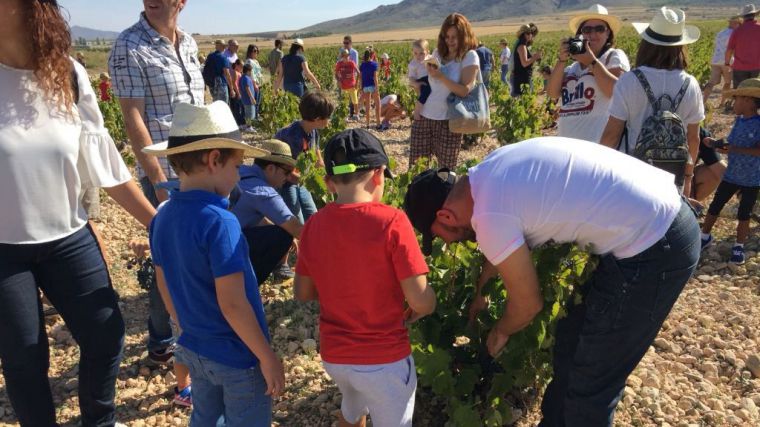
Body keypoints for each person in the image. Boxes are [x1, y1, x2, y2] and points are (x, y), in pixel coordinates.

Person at [404, 137, 700, 427]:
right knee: (570, 344)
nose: (447, 243)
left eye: (438, 235)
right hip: (655, 217)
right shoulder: (489, 173)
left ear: (445, 215)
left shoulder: (490, 214)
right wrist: (481, 293)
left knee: (591, 382)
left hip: (656, 243)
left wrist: (501, 331)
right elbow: (501, 233)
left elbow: (529, 304)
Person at [0, 1, 156, 425]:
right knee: (25, 358)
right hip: (4, 252)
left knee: (106, 336)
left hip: (68, 237)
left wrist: (159, 223)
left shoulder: (65, 73)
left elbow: (102, 160)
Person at [144, 101, 284, 427]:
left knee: (205, 418)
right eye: (236, 166)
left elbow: (164, 283)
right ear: (214, 160)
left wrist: (187, 326)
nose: (238, 176)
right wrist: (267, 356)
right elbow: (233, 304)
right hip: (237, 357)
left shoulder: (162, 216)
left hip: (194, 347)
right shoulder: (221, 221)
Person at [295, 129, 436, 427]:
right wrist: (424, 306)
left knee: (353, 401)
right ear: (379, 174)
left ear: (328, 182)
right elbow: (420, 301)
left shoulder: (313, 226)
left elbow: (304, 292)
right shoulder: (393, 221)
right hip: (384, 361)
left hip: (335, 358)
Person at [109, 0, 204, 400]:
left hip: (202, 166)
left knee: (196, 256)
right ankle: (164, 343)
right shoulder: (129, 45)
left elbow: (200, 105)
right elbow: (133, 117)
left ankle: (196, 341)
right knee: (168, 260)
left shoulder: (189, 44)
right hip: (167, 174)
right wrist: (160, 181)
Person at [600, 6, 704, 198]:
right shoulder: (691, 84)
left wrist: (598, 169)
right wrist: (688, 177)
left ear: (646, 44)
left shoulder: (629, 81)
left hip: (634, 170)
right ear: (681, 47)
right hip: (673, 175)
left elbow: (612, 135)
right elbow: (693, 138)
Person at [546, 4, 630, 142]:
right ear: (580, 34)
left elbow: (616, 91)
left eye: (599, 29)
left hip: (596, 145)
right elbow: (552, 93)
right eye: (587, 29)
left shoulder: (613, 56)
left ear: (608, 33)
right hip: (568, 143)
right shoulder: (573, 68)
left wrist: (592, 62)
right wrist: (561, 60)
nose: (593, 34)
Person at [700, 78, 760, 265]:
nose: (734, 103)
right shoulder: (739, 121)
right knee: (716, 206)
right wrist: (717, 145)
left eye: (737, 99)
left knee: (744, 213)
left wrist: (733, 149)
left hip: (752, 178)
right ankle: (705, 236)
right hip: (732, 174)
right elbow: (732, 144)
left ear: (748, 102)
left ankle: (738, 247)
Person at [273, 91, 334, 277]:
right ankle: (280, 265)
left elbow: (316, 155)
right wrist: (309, 179)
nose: (329, 122)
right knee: (293, 220)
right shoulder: (292, 136)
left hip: (300, 180)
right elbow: (286, 170)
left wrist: (325, 173)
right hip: (284, 181)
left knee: (312, 214)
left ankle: (315, 254)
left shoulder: (312, 131)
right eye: (327, 118)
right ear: (316, 118)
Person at [409, 13, 479, 170]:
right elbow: (429, 84)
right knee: (416, 169)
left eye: (455, 36)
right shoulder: (437, 53)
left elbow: (464, 91)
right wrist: (417, 84)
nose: (450, 41)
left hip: (449, 121)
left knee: (445, 172)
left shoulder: (469, 56)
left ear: (464, 35)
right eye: (447, 36)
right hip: (424, 117)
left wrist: (441, 76)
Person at [231, 140, 303, 283]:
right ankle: (248, 283)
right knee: (282, 235)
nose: (289, 177)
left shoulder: (242, 171)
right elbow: (296, 228)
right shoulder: (263, 192)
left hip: (212, 243)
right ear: (270, 168)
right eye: (287, 172)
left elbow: (252, 217)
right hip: (229, 248)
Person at [703, 16, 742, 107]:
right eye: (739, 23)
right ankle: (722, 103)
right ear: (735, 23)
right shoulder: (735, 33)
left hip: (715, 60)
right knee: (727, 82)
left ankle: (703, 102)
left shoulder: (721, 32)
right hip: (727, 61)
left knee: (711, 82)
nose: (739, 25)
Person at [726, 4, 760, 89]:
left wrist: (727, 63)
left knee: (739, 92)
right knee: (755, 93)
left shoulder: (737, 30)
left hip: (739, 67)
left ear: (744, 17)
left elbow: (729, 49)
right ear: (754, 15)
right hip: (756, 67)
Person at [511, 23, 541, 97]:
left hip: (520, 77)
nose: (531, 35)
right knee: (525, 99)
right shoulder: (522, 46)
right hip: (523, 78)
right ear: (524, 35)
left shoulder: (521, 45)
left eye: (530, 33)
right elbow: (524, 63)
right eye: (529, 33)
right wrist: (535, 57)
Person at [205, 39, 237, 104]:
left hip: (212, 85)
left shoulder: (210, 56)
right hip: (221, 84)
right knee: (223, 106)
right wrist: (231, 89)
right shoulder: (223, 58)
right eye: (224, 46)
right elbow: (227, 73)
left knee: (216, 104)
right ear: (223, 47)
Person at [407, 38, 431, 121]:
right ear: (412, 52)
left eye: (421, 53)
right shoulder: (413, 64)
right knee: (426, 91)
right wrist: (416, 84)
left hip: (432, 78)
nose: (418, 56)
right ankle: (417, 110)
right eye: (415, 53)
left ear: (427, 52)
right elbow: (411, 77)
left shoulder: (430, 59)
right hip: (422, 80)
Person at [335, 48, 360, 121]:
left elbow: (358, 73)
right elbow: (336, 74)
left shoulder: (351, 63)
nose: (346, 57)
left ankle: (357, 115)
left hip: (352, 85)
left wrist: (356, 83)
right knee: (344, 102)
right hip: (344, 86)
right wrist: (338, 80)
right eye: (344, 56)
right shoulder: (339, 64)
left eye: (347, 56)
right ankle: (345, 116)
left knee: (355, 101)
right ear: (342, 56)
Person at [359, 49, 381, 130]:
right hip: (372, 86)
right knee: (377, 105)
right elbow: (375, 78)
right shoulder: (374, 64)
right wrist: (377, 88)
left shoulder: (362, 65)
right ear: (372, 55)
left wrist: (361, 88)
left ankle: (367, 125)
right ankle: (378, 124)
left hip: (365, 87)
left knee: (367, 106)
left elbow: (361, 78)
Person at [244, 44, 263, 119]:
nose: (256, 52)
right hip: (254, 85)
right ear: (250, 52)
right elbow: (251, 74)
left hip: (259, 84)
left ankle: (256, 117)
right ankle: (254, 119)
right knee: (255, 102)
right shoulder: (249, 61)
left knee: (258, 102)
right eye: (254, 51)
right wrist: (255, 84)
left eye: (257, 51)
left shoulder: (256, 61)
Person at [239, 63, 256, 131]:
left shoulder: (242, 77)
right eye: (251, 71)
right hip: (248, 99)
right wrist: (252, 98)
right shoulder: (246, 78)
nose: (251, 72)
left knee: (248, 112)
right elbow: (247, 88)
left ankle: (247, 125)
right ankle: (249, 127)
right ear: (248, 71)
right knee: (250, 113)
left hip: (245, 99)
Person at [230, 59, 246, 128]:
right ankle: (238, 123)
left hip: (240, 92)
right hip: (237, 93)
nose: (242, 68)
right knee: (237, 108)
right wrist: (238, 93)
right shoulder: (235, 73)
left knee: (240, 108)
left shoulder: (239, 73)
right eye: (241, 66)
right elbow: (234, 83)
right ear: (237, 65)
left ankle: (241, 122)